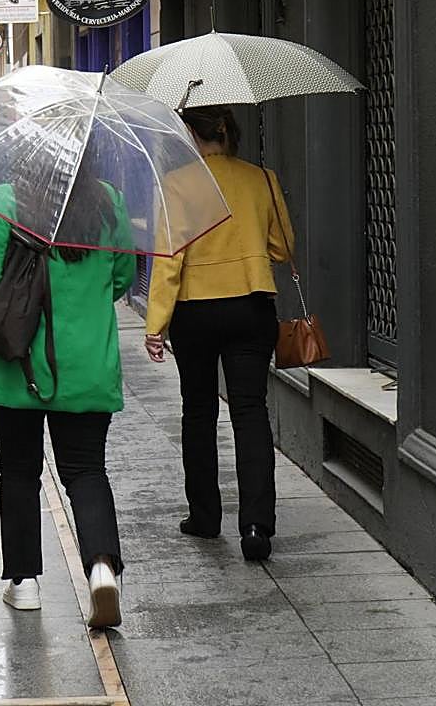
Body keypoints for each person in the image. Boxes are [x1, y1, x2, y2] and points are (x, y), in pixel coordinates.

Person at [0, 159, 135, 629]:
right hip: (87, 363)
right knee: (86, 471)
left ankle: (25, 584)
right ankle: (102, 568)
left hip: (17, 362)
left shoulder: (2, 201)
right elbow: (122, 277)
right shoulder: (107, 202)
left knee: (19, 471)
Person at [144, 105, 294, 562]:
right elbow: (283, 248)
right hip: (251, 306)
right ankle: (256, 526)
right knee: (250, 412)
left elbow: (169, 260)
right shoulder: (261, 179)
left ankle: (206, 517)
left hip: (195, 310)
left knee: (199, 411)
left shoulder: (177, 184)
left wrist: (156, 324)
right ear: (229, 134)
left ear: (192, 134)